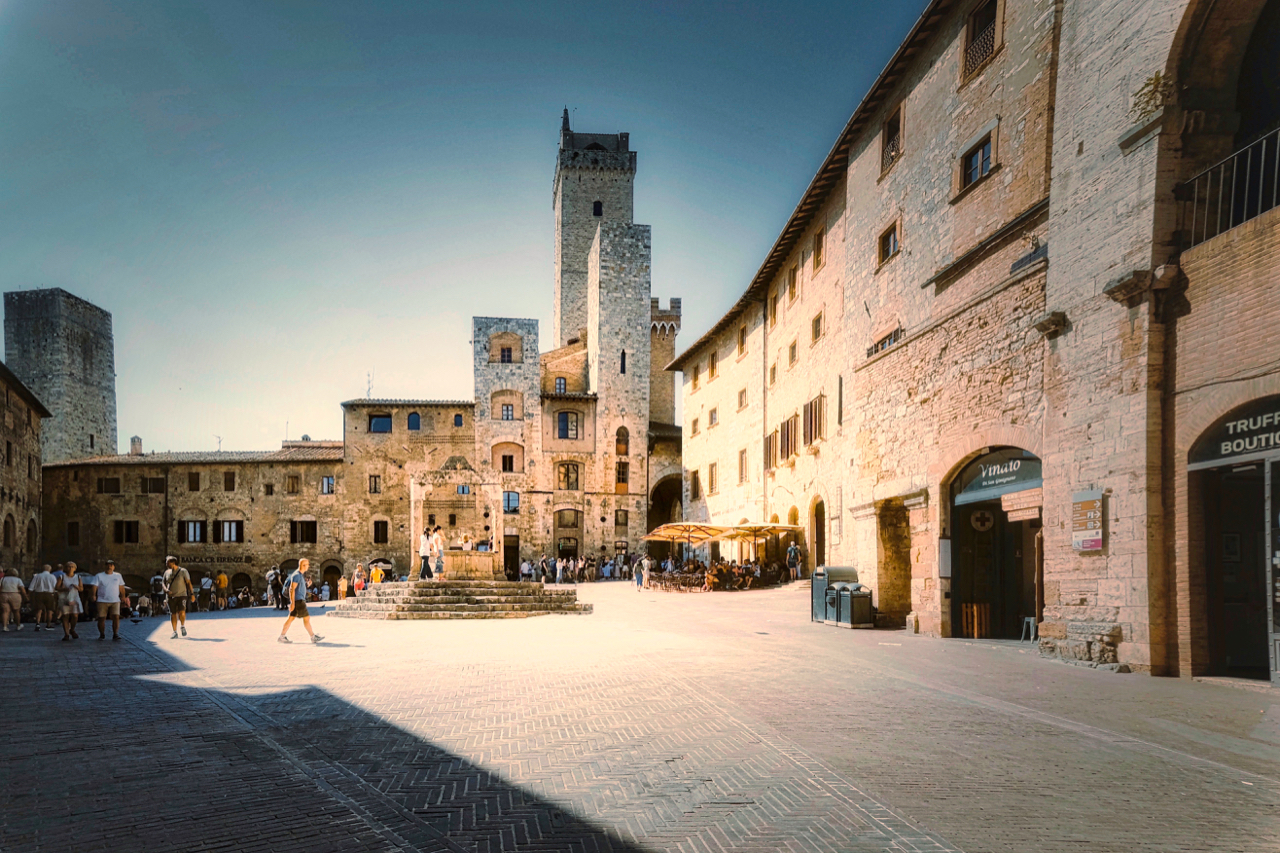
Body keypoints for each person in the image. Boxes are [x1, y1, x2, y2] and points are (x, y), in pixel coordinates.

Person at [278, 559, 322, 644]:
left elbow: (299, 588)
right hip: (298, 601)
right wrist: (292, 603)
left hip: (298, 600)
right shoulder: (297, 575)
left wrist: (307, 585)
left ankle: (282, 636)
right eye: (307, 564)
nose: (308, 566)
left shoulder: (299, 575)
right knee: (306, 618)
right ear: (303, 565)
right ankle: (313, 637)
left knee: (291, 618)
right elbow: (291, 589)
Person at [94, 560, 129, 641]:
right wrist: (93, 595)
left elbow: (121, 587)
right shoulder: (99, 575)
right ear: (105, 566)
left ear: (113, 567)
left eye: (111, 565)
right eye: (107, 565)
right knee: (101, 618)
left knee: (116, 617)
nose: (109, 567)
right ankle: (102, 634)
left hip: (115, 600)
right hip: (102, 600)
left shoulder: (118, 575)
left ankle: (115, 634)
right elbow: (94, 587)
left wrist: (123, 596)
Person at [163, 557, 194, 639]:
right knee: (173, 614)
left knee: (182, 612)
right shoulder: (166, 572)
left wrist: (192, 594)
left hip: (182, 595)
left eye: (167, 562)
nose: (166, 564)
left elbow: (189, 583)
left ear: (173, 562)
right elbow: (163, 583)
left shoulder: (183, 571)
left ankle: (182, 626)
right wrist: (166, 590)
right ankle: (174, 632)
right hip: (170, 596)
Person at [56, 562, 84, 641]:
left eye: (72, 567)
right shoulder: (62, 577)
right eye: (69, 566)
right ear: (66, 568)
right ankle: (66, 634)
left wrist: (77, 587)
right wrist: (65, 589)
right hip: (65, 598)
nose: (70, 568)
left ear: (75, 568)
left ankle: (72, 629)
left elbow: (81, 589)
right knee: (65, 615)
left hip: (74, 598)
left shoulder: (78, 577)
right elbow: (57, 587)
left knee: (75, 615)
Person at [29, 565, 57, 630]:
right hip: (49, 594)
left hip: (39, 594)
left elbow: (31, 587)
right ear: (50, 569)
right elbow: (55, 587)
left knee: (39, 609)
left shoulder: (37, 576)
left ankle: (38, 623)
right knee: (49, 610)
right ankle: (48, 624)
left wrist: (29, 594)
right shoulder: (52, 577)